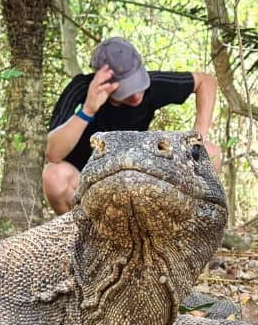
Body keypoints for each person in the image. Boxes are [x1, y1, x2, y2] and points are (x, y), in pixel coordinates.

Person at [42, 37, 220, 214]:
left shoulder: (152, 86)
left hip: (138, 180)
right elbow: (53, 154)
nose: (135, 96)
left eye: (137, 85)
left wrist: (199, 136)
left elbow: (206, 81)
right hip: (88, 184)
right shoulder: (81, 89)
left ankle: (184, 234)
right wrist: (87, 110)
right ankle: (81, 236)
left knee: (208, 153)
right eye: (125, 89)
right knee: (54, 176)